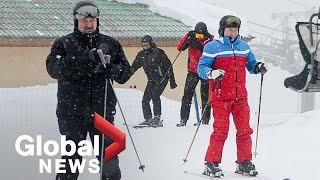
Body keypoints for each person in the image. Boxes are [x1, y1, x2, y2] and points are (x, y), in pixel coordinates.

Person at [46, 1, 131, 179]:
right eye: (84, 20)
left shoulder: (111, 43)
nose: (88, 24)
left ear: (97, 21)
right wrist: (85, 59)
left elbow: (125, 73)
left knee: (109, 162)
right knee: (71, 160)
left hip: (103, 112)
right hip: (72, 113)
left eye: (92, 20)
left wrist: (114, 69)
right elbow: (54, 69)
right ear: (76, 21)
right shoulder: (64, 44)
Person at [197, 15, 267, 177]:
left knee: (244, 130)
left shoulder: (244, 46)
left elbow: (251, 65)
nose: (232, 32)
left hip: (240, 97)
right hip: (221, 96)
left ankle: (243, 162)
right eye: (229, 29)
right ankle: (211, 163)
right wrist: (211, 73)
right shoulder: (212, 47)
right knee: (221, 131)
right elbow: (201, 68)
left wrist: (258, 67)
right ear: (222, 30)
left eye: (235, 30)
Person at [131, 35, 177, 127]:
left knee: (155, 96)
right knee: (145, 99)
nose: (145, 47)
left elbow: (168, 66)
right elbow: (134, 67)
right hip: (151, 80)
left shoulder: (159, 53)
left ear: (151, 44)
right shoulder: (141, 55)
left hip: (162, 79)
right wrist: (125, 74)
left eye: (146, 45)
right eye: (143, 45)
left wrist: (172, 80)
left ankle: (157, 118)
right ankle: (148, 119)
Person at [176, 22, 214, 127]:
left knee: (205, 97)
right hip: (192, 71)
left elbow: (211, 53)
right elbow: (179, 48)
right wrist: (188, 36)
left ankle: (205, 121)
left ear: (205, 34)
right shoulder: (191, 37)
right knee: (186, 96)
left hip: (205, 72)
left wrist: (201, 44)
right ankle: (183, 120)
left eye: (201, 36)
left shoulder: (210, 40)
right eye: (197, 35)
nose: (199, 38)